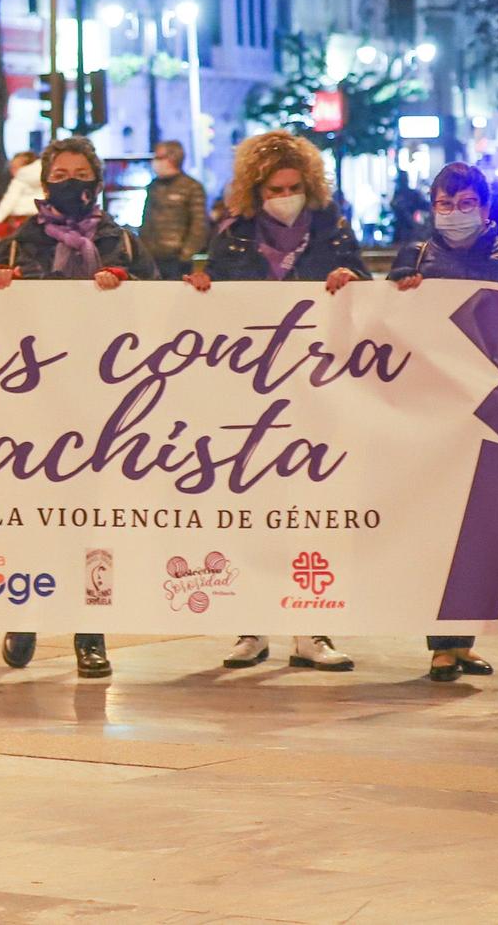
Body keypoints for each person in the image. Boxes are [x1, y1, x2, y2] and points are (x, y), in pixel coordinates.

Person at [186, 129, 367, 672]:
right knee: (249, 513)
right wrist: (199, 287)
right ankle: (251, 628)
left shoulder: (333, 232)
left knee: (313, 511)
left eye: (293, 186)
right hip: (250, 400)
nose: (283, 196)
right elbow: (210, 295)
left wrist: (350, 278)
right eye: (273, 188)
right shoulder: (234, 236)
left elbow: (367, 288)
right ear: (255, 190)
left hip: (316, 392)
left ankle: (313, 629)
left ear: (308, 186)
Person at [0, 137, 159, 680]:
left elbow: (160, 306)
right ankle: (26, 612)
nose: (69, 182)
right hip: (32, 403)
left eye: (79, 173)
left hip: (101, 404)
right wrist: (0, 286)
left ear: (97, 180)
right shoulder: (20, 244)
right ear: (44, 183)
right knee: (30, 515)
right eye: (58, 173)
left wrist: (127, 289)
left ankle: (91, 631)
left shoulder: (122, 243)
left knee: (91, 523)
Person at [390, 162, 498, 682]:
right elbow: (385, 332)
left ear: (484, 209)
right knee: (436, 526)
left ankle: (460, 641)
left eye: (465, 204)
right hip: (430, 418)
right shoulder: (415, 258)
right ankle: (442, 644)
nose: (454, 214)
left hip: (492, 417)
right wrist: (399, 296)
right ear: (432, 206)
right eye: (445, 203)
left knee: (482, 529)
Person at [139, 140, 210, 275]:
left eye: (159, 157)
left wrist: (186, 255)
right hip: (151, 258)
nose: (155, 162)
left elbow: (199, 225)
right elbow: (146, 220)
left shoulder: (192, 187)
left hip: (177, 261)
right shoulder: (153, 186)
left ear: (173, 158)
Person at [0, 151, 43, 239]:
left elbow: (9, 202)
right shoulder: (44, 177)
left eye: (14, 167)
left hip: (21, 221)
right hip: (41, 218)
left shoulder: (19, 180)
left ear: (24, 167)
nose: (11, 171)